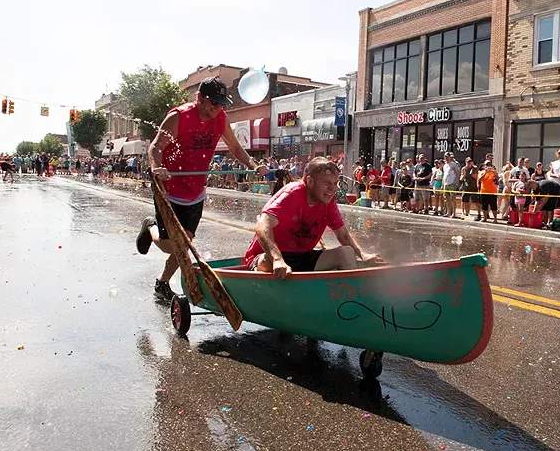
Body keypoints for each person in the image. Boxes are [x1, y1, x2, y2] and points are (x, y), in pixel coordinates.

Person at [136, 76, 266, 301]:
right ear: (199, 98)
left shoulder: (221, 119)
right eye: (214, 102)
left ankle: (162, 284)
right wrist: (157, 166)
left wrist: (253, 165)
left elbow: (235, 147)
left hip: (195, 191)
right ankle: (150, 227)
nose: (218, 108)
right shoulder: (179, 117)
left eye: (221, 103)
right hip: (169, 189)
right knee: (171, 246)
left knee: (184, 243)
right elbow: (156, 147)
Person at [246, 157, 380, 278]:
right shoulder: (292, 194)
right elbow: (262, 225)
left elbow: (343, 235)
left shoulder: (328, 200)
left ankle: (346, 299)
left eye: (335, 183)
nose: (332, 189)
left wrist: (362, 255)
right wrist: (277, 259)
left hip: (302, 256)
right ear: (310, 181)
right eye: (327, 183)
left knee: (347, 253)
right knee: (266, 261)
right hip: (269, 257)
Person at [441, 152, 460, 218]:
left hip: (452, 183)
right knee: (447, 198)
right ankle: (448, 212)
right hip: (446, 184)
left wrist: (457, 182)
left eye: (447, 156)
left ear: (450, 157)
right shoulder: (445, 165)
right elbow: (444, 175)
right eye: (445, 156)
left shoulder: (453, 164)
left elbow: (457, 173)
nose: (446, 157)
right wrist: (442, 184)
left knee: (453, 198)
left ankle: (454, 213)